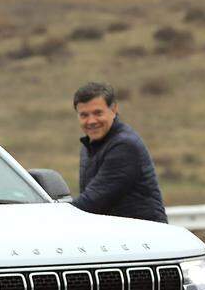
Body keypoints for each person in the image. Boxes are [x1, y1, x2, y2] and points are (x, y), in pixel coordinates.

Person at [70, 81, 167, 222]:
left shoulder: (124, 146)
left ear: (114, 109)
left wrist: (54, 213)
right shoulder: (89, 146)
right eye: (84, 115)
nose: (91, 121)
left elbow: (92, 201)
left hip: (144, 233)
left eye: (98, 113)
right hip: (116, 232)